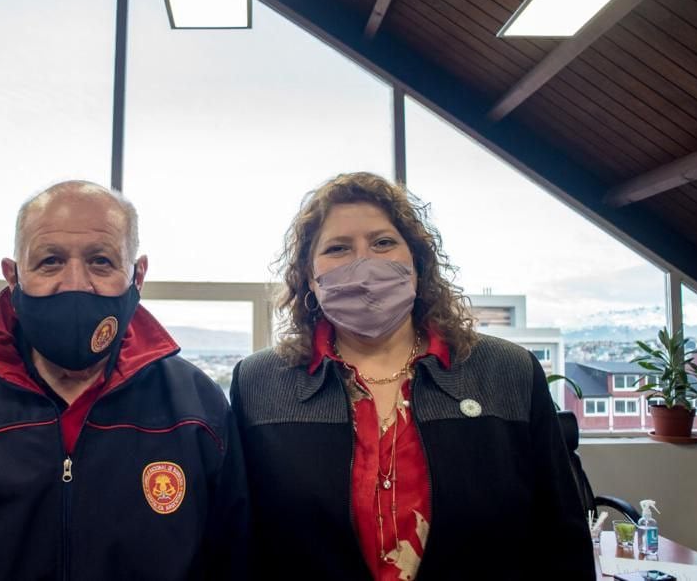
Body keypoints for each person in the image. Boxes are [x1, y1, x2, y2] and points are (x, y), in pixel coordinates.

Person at [0, 180, 248, 580]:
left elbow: (232, 564)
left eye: (101, 261)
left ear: (137, 276)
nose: (74, 283)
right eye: (50, 260)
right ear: (14, 275)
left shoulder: (197, 409)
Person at [230, 172, 593, 580]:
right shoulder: (258, 383)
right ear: (309, 279)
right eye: (337, 248)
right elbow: (243, 545)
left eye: (383, 242)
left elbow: (562, 541)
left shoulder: (509, 372)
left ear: (418, 265)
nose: (363, 264)